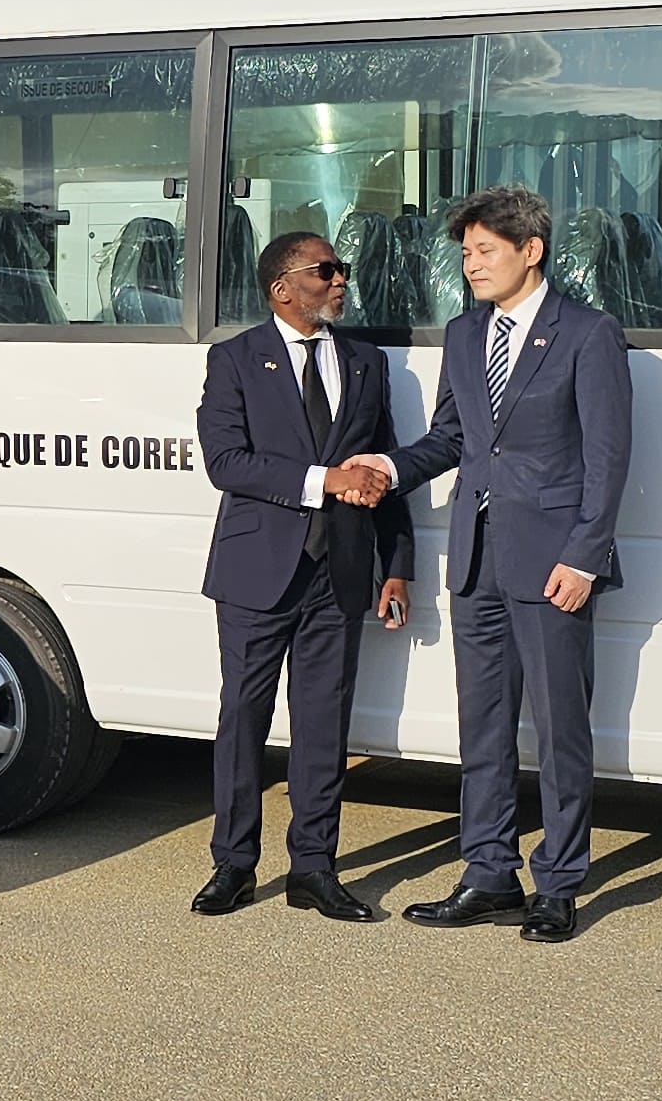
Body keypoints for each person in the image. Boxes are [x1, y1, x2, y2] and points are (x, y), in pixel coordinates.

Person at [332, 186, 631, 942]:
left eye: (485, 250)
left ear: (531, 251)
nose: (471, 264)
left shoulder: (587, 334)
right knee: (484, 725)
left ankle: (559, 884)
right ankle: (488, 873)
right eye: (465, 252)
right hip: (476, 554)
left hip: (553, 560)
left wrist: (585, 557)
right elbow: (452, 439)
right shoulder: (466, 336)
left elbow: (608, 460)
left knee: (561, 728)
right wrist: (390, 468)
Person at [192, 230, 413, 919]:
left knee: (323, 726)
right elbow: (225, 462)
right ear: (283, 286)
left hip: (340, 575)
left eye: (342, 268)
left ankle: (313, 869)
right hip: (258, 571)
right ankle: (233, 864)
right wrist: (326, 480)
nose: (340, 279)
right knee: (244, 721)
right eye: (326, 270)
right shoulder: (234, 360)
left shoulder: (366, 363)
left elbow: (385, 469)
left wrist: (397, 568)